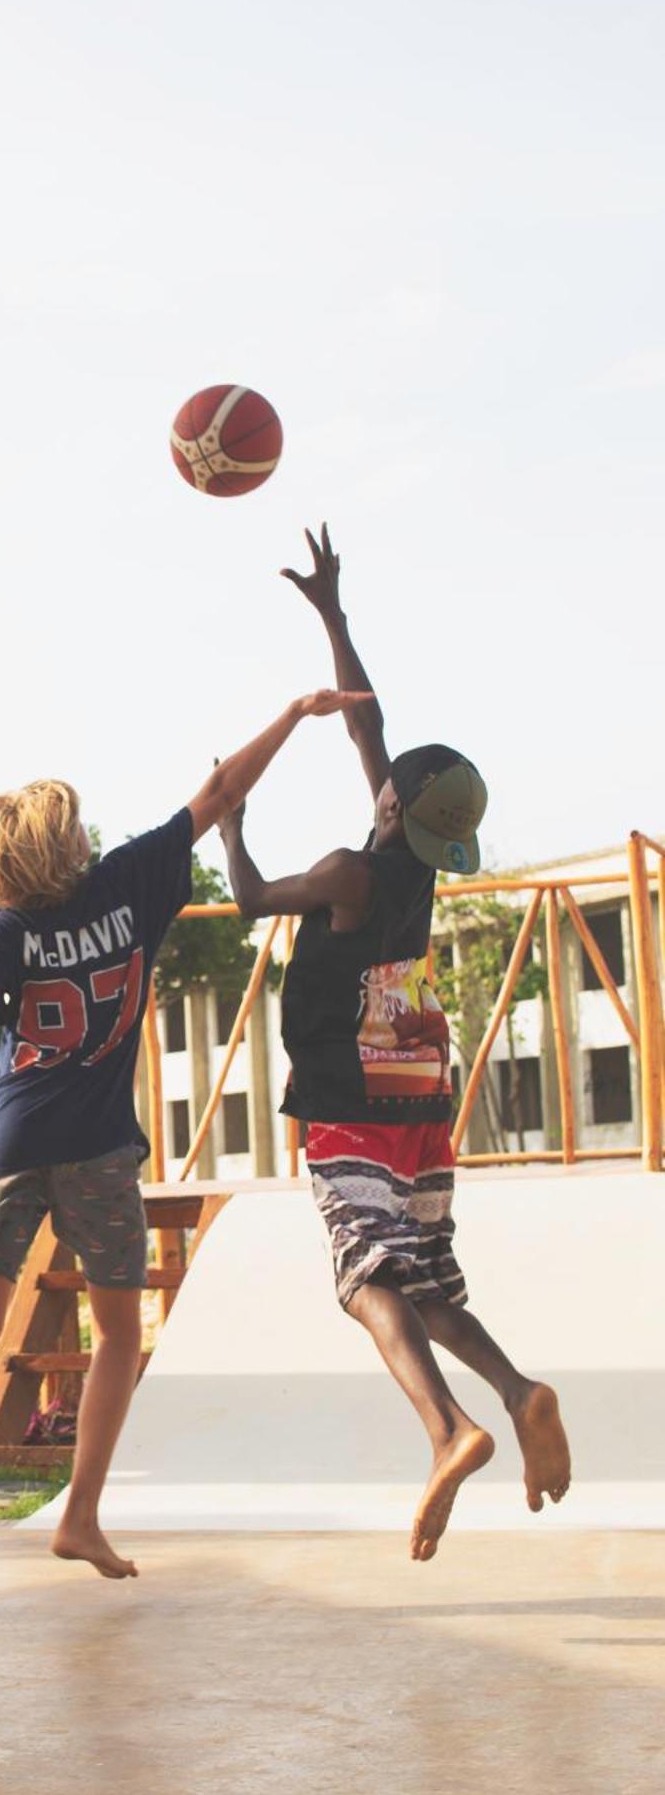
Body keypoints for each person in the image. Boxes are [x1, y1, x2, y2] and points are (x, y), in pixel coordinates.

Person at [0, 684, 372, 1579]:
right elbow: (222, 791)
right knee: (117, 1332)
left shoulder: (1, 921)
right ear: (64, 846)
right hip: (96, 1153)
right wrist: (295, 715)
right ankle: (77, 1517)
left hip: (7, 1143)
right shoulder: (130, 880)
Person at [220, 524, 572, 1561]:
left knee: (362, 1278)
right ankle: (513, 1388)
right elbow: (369, 728)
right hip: (420, 1085)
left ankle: (447, 1428)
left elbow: (243, 897)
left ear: (387, 803)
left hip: (345, 1095)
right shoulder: (414, 870)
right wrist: (332, 613)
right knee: (423, 1276)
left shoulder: (344, 868)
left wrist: (232, 821)